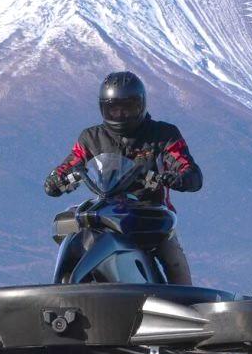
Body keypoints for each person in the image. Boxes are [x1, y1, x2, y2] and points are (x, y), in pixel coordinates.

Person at [43, 71, 203, 285]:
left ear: (141, 105)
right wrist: (56, 180)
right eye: (114, 108)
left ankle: (186, 304)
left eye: (128, 107)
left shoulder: (163, 134)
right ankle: (62, 288)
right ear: (103, 108)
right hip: (105, 213)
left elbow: (187, 168)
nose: (121, 114)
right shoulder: (91, 137)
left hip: (149, 217)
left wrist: (179, 177)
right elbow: (71, 162)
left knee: (174, 260)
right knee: (74, 233)